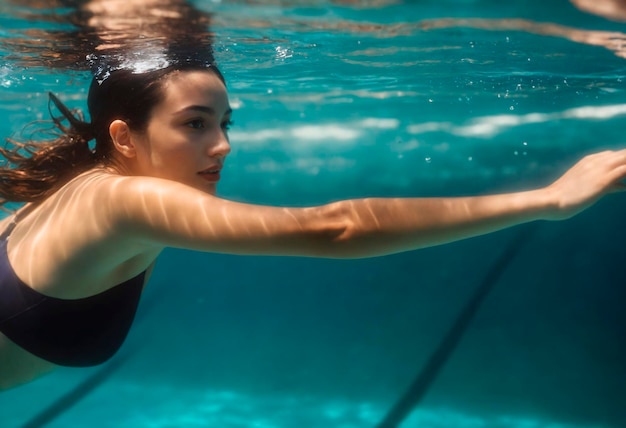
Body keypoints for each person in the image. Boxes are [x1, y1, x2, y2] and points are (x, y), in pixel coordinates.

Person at [0, 58, 625, 391]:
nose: (222, 147)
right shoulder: (123, 201)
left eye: (225, 123)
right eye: (195, 123)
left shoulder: (75, 188)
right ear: (123, 136)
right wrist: (549, 199)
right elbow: (335, 227)